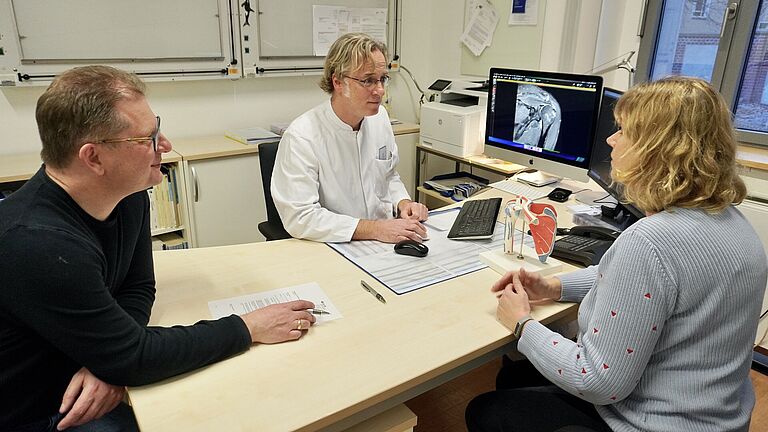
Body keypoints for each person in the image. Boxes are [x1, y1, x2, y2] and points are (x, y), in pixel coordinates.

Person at [0, 65, 318, 432]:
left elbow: (138, 288)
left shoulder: (129, 196)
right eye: (147, 139)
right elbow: (136, 356)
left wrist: (114, 359)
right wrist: (249, 326)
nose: (165, 145)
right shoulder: (37, 243)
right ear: (93, 158)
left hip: (85, 375)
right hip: (41, 412)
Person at [465, 76, 768, 432]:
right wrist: (554, 288)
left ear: (658, 149)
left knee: (485, 410)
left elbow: (597, 380)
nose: (610, 139)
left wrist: (521, 324)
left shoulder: (652, 241)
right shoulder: (734, 221)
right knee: (518, 376)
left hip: (652, 423)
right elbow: (645, 283)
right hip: (717, 419)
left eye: (623, 131)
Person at [271, 32, 428, 243]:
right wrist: (375, 229)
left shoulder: (379, 117)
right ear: (338, 82)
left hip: (386, 240)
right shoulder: (302, 136)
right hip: (334, 243)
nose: (380, 90)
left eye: (382, 79)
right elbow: (301, 217)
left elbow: (388, 175)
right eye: (368, 81)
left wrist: (403, 202)